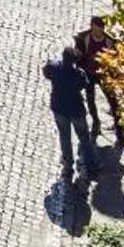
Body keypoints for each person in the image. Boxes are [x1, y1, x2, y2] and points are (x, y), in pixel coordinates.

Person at [44, 45, 93, 183]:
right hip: (76, 110)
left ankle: (67, 166)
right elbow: (85, 84)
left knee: (64, 137)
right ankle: (88, 164)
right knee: (84, 137)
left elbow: (46, 70)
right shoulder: (78, 75)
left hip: (59, 109)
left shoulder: (54, 69)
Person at [76, 16, 120, 133]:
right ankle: (96, 122)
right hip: (89, 74)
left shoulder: (109, 41)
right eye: (96, 28)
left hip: (103, 75)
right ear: (91, 27)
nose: (98, 31)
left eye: (100, 29)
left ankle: (118, 125)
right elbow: (78, 56)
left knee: (112, 100)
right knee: (90, 100)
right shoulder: (83, 38)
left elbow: (115, 59)